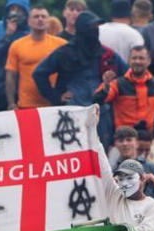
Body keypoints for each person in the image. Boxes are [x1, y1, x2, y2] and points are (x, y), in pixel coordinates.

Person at [34, 11, 127, 147]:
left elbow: (127, 75)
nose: (94, 30)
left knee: (101, 152)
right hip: (72, 113)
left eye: (96, 27)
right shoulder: (65, 52)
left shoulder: (107, 54)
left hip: (101, 114)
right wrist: (56, 96)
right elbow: (39, 73)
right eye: (91, 27)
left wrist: (113, 90)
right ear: (82, 29)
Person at [94, 46, 154, 131]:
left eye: (141, 58)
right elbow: (98, 99)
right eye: (134, 58)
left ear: (149, 61)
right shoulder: (118, 84)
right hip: (125, 138)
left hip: (152, 138)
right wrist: (106, 86)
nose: (137, 61)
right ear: (129, 61)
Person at [5, 6, 67, 110]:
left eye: (43, 16)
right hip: (26, 105)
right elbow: (10, 76)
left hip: (54, 104)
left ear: (48, 21)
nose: (40, 19)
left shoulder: (61, 44)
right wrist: (11, 103)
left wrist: (70, 91)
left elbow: (72, 71)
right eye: (36, 16)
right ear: (29, 21)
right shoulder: (17, 45)